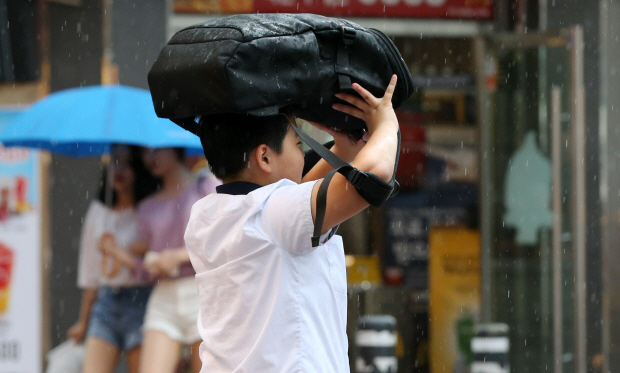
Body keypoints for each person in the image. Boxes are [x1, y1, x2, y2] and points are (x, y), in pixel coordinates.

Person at [184, 76, 400, 372]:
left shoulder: (206, 215)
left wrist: (345, 149)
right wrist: (386, 125)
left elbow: (294, 199)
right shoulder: (272, 213)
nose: (303, 155)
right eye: (298, 144)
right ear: (264, 157)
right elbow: (374, 174)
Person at [118, 147, 220, 373]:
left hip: (202, 292)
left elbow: (224, 239)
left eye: (156, 149)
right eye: (145, 152)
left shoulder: (206, 187)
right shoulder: (147, 206)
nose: (149, 157)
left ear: (174, 147)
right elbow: (144, 270)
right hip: (163, 295)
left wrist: (178, 256)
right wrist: (125, 256)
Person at [66, 144, 160, 373]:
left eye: (128, 163)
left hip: (143, 299)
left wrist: (119, 252)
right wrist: (83, 320)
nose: (119, 169)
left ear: (139, 169)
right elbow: (90, 272)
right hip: (106, 302)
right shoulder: (98, 211)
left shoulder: (149, 211)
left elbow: (154, 265)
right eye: (115, 162)